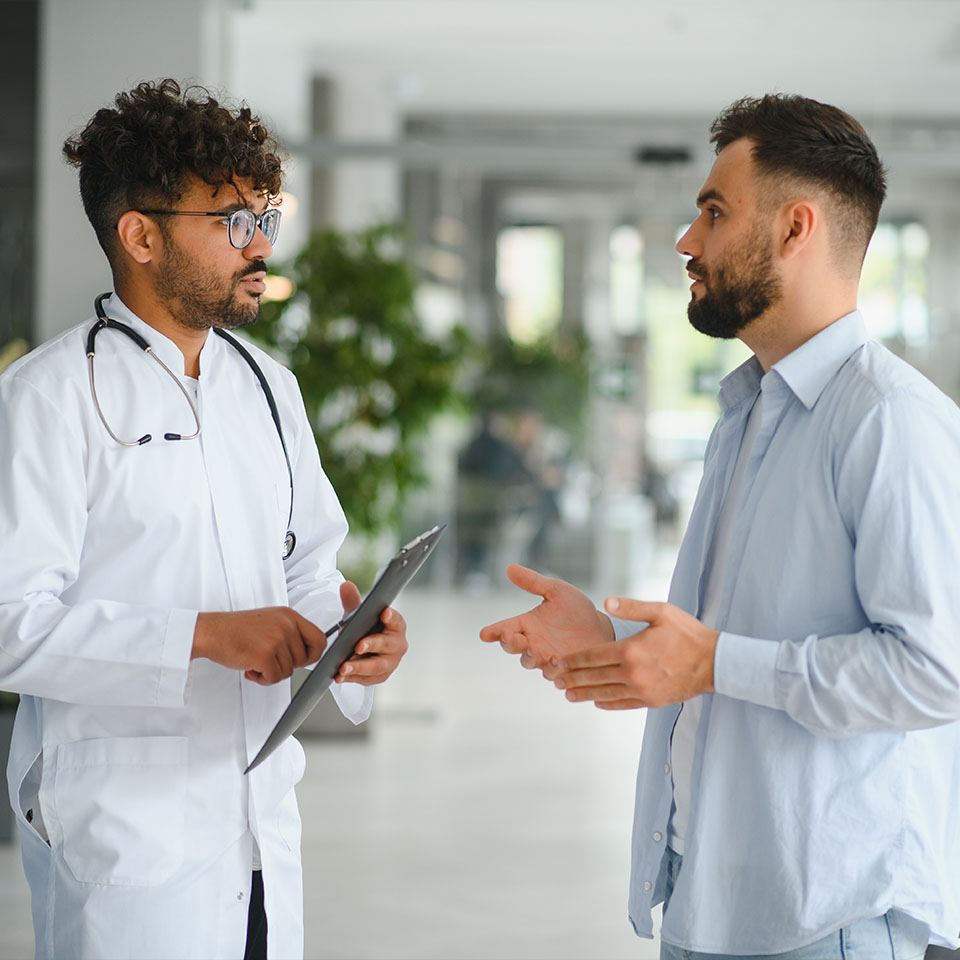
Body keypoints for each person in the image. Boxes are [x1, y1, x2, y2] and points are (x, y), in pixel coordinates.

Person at [481, 94, 960, 958]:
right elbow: (742, 634)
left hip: (826, 916)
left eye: (712, 212)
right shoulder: (746, 413)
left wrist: (713, 662)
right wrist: (616, 636)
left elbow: (936, 671)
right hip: (712, 893)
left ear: (795, 228)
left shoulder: (890, 423)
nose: (686, 243)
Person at [0, 79, 408, 960]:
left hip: (261, 832)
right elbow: (9, 627)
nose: (259, 244)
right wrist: (206, 637)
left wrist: (354, 638)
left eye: (265, 215)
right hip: (125, 831)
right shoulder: (45, 397)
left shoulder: (266, 385)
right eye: (230, 221)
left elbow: (309, 570)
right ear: (140, 235)